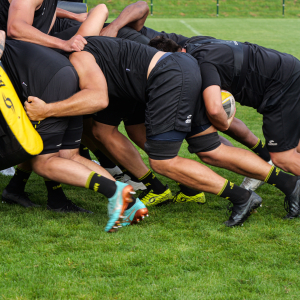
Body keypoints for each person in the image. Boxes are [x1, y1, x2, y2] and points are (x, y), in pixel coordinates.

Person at [24, 25, 299, 225]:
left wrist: (47, 109)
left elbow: (97, 98)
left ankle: (241, 197)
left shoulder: (79, 54)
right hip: (182, 70)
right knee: (209, 148)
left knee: (163, 161)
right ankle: (289, 185)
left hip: (168, 77)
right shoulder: (92, 45)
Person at [0, 29, 150, 231]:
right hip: (63, 73)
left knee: (44, 163)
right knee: (68, 155)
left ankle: (117, 194)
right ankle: (130, 202)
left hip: (47, 80)